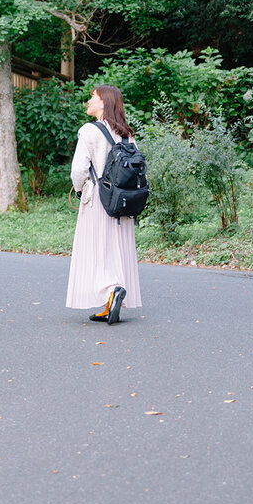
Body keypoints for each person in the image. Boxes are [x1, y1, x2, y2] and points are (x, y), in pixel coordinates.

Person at [66, 84, 142, 324]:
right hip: (122, 200)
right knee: (116, 249)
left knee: (97, 250)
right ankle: (111, 303)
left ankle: (112, 288)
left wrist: (80, 189)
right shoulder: (127, 134)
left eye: (93, 97)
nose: (88, 101)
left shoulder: (89, 131)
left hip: (98, 197)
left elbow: (78, 170)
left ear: (104, 102)